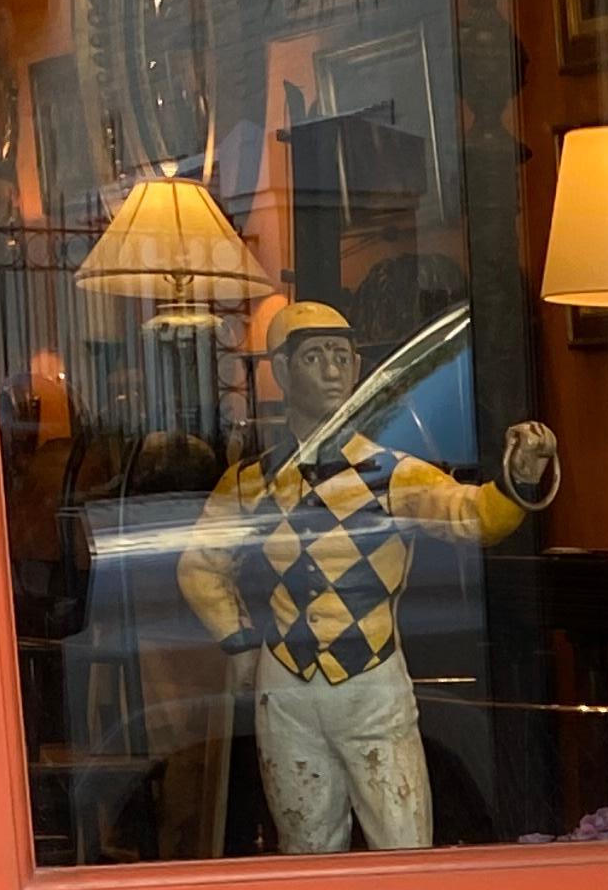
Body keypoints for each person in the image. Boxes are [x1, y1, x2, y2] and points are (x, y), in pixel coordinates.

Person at [175, 301, 557, 853]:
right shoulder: (252, 482)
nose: (332, 370)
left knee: (402, 843)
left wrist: (519, 479)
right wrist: (238, 643)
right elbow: (200, 564)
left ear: (356, 368)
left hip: (371, 681)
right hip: (286, 690)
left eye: (341, 356)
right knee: (304, 849)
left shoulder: (392, 474)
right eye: (313, 356)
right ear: (281, 371)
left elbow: (473, 517)